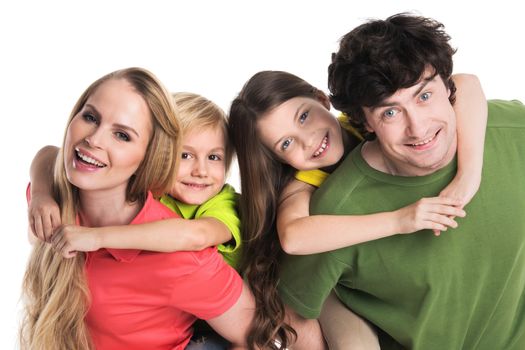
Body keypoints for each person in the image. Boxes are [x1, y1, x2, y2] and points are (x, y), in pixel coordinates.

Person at [277, 12, 525, 349]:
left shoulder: (514, 130)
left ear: (448, 86)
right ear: (365, 124)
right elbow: (296, 310)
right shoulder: (337, 210)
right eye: (390, 112)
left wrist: (469, 176)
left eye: (424, 96)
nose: (419, 128)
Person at [229, 67, 485, 348]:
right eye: (287, 143)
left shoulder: (363, 122)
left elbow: (466, 83)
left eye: (303, 117)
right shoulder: (304, 184)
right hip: (331, 286)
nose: (308, 140)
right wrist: (401, 220)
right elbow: (293, 236)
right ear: (277, 158)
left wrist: (468, 176)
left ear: (321, 98)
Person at [20, 67, 259, 350]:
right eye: (90, 117)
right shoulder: (61, 194)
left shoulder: (181, 258)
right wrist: (41, 194)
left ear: (152, 156)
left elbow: (258, 337)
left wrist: (97, 238)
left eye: (122, 135)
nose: (94, 140)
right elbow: (50, 155)